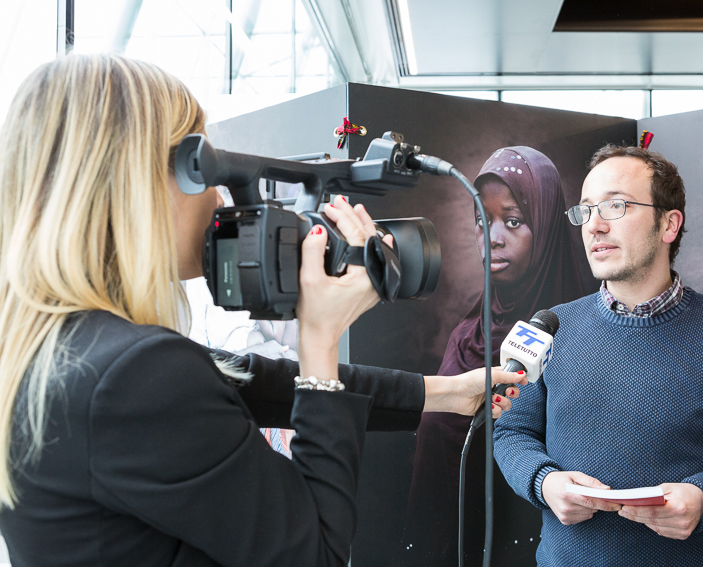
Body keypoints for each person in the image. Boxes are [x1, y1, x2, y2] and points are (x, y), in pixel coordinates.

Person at [0, 54, 525, 567]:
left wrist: (449, 393)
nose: (220, 199)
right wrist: (320, 336)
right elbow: (315, 552)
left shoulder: (65, 353)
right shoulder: (129, 375)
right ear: (137, 184)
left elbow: (252, 382)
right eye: (204, 167)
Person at [494, 143, 703, 567]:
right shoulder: (551, 329)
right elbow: (512, 433)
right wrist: (543, 482)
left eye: (616, 206)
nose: (595, 226)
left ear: (668, 225)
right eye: (585, 211)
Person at [403, 147, 587, 566]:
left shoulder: (581, 336)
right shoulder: (466, 335)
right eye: (482, 221)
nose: (494, 236)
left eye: (514, 221)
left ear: (546, 230)